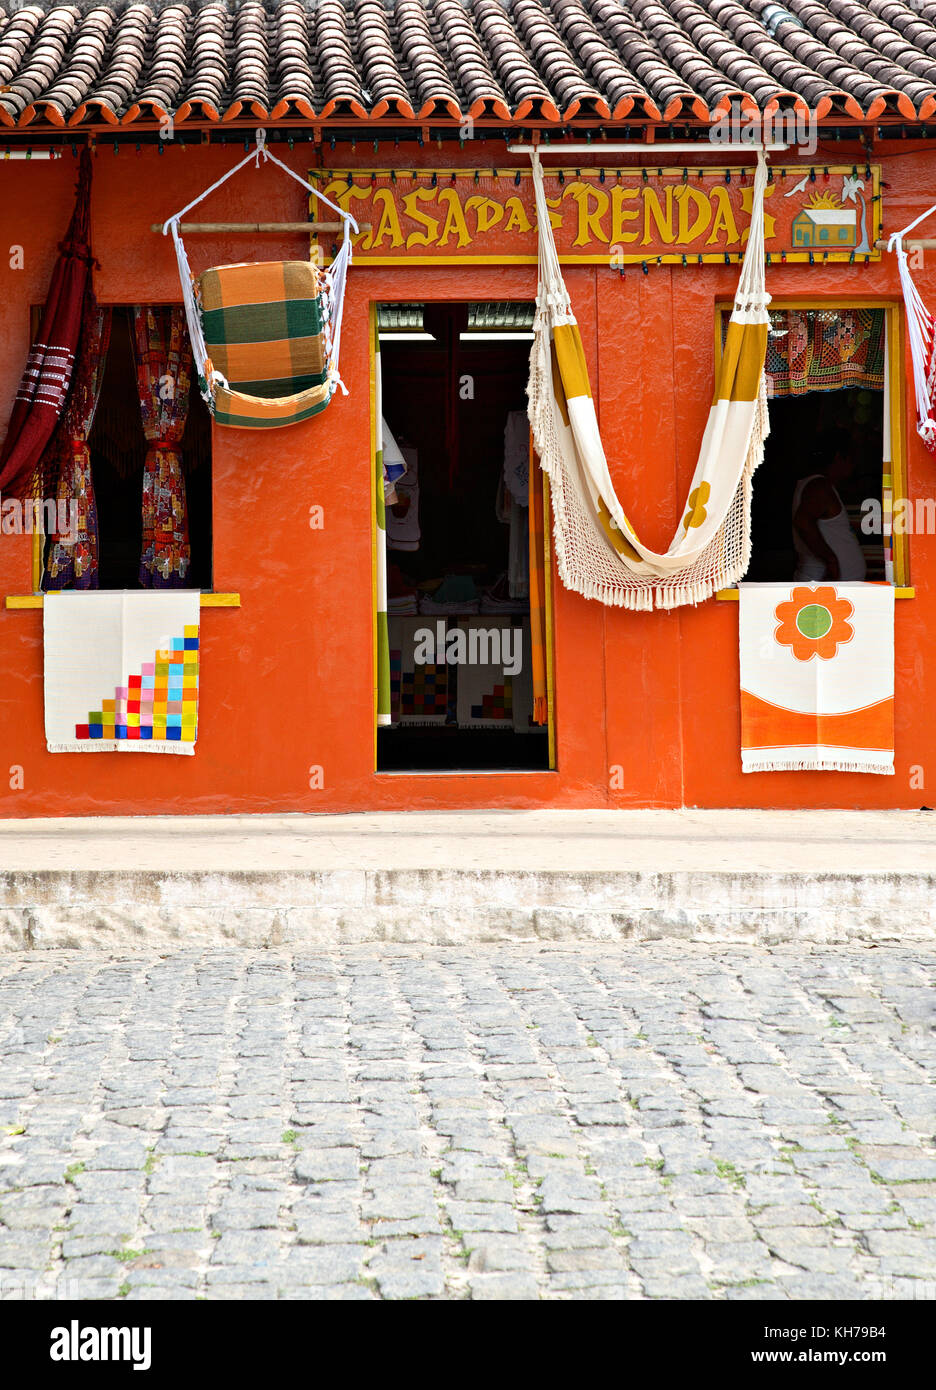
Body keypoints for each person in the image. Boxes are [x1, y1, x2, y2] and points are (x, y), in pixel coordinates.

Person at [791, 429, 866, 582]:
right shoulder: (818, 486)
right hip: (819, 581)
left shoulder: (821, 485)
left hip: (827, 585)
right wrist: (830, 560)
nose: (853, 467)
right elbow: (803, 522)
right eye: (851, 460)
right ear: (839, 457)